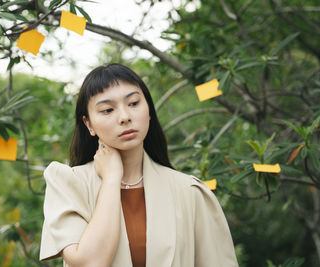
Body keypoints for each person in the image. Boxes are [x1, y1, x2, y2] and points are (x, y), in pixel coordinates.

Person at [39, 63, 238, 267]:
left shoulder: (190, 192)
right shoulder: (68, 184)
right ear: (89, 124)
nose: (125, 117)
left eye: (133, 103)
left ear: (149, 110)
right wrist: (111, 179)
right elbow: (91, 263)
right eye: (107, 110)